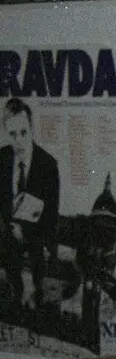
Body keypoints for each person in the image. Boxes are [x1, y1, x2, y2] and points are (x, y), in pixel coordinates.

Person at [0, 97, 60, 314]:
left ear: (32, 128)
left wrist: (25, 232)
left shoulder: (48, 165)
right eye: (13, 134)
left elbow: (51, 216)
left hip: (36, 239)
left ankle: (34, 304)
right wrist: (8, 227)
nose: (18, 142)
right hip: (7, 241)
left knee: (37, 305)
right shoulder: (2, 159)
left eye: (24, 133)